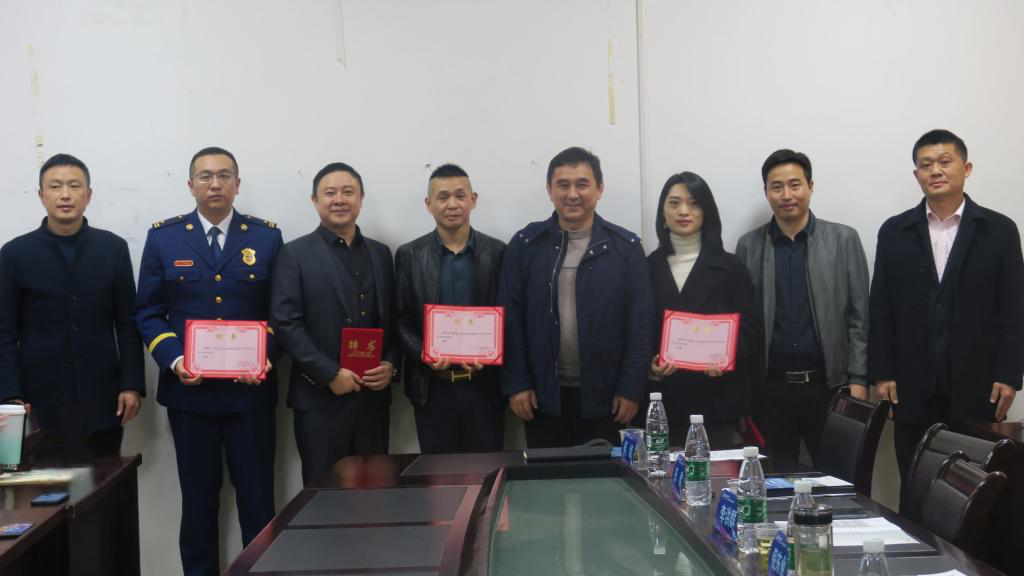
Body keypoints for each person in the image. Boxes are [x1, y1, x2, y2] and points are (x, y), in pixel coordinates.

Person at [136, 147, 281, 576]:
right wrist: (175, 359)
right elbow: (148, 312)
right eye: (205, 176)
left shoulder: (267, 238)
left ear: (237, 184)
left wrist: (264, 357)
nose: (215, 184)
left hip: (250, 397)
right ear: (190, 185)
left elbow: (282, 312)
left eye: (224, 176)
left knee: (258, 502)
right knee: (198, 504)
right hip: (190, 397)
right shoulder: (163, 238)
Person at [869, 129, 1024, 481]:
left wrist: (1009, 374)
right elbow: (881, 307)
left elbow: (1013, 308)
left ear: (966, 169)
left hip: (978, 382)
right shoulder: (894, 232)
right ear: (917, 175)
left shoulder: (999, 231)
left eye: (944, 161)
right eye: (926, 165)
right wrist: (883, 372)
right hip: (910, 383)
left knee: (975, 486)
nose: (935, 171)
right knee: (914, 482)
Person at [498, 146, 653, 448]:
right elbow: (510, 319)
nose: (572, 194)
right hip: (541, 396)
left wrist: (631, 388)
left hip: (607, 397)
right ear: (549, 189)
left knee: (605, 477)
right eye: (563, 185)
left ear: (599, 189)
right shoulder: (526, 245)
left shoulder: (626, 249)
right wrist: (517, 384)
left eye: (582, 184)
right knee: (548, 476)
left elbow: (640, 324)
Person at [0, 153, 144, 462]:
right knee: (44, 487)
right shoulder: (14, 254)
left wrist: (131, 384)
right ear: (41, 196)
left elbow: (127, 324)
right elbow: (4, 331)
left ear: (88, 195)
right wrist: (11, 394)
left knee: (103, 484)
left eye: (74, 186)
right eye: (55, 186)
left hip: (103, 397)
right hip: (38, 400)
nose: (65, 194)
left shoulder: (113, 249)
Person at [735, 149, 869, 464]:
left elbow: (860, 316)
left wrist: (859, 380)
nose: (787, 195)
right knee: (774, 479)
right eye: (777, 187)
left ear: (810, 186)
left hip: (830, 387)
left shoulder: (844, 240)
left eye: (795, 185)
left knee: (837, 478)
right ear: (766, 192)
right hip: (770, 391)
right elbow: (741, 323)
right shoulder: (748, 246)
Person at [270, 162, 398, 484]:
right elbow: (286, 323)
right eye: (330, 193)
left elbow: (394, 319)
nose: (339, 199)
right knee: (322, 496)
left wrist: (391, 365)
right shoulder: (294, 254)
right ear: (315, 201)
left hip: (372, 400)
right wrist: (329, 374)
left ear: (361, 198)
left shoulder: (381, 254)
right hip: (320, 401)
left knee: (374, 494)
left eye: (348, 192)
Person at [394, 164, 506, 453]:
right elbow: (400, 318)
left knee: (487, 470)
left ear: (473, 199)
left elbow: (510, 317)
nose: (452, 204)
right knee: (438, 474)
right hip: (432, 388)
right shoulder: (409, 255)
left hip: (485, 387)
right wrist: (423, 353)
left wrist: (491, 352)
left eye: (460, 195)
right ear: (428, 204)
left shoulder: (498, 252)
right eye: (442, 197)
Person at [647, 172, 763, 447]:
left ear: (707, 211)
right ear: (663, 213)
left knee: (715, 474)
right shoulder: (647, 267)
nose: (683, 211)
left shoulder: (731, 267)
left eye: (694, 203)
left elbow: (751, 328)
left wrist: (726, 357)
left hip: (717, 400)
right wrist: (650, 365)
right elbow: (638, 328)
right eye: (674, 203)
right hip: (664, 403)